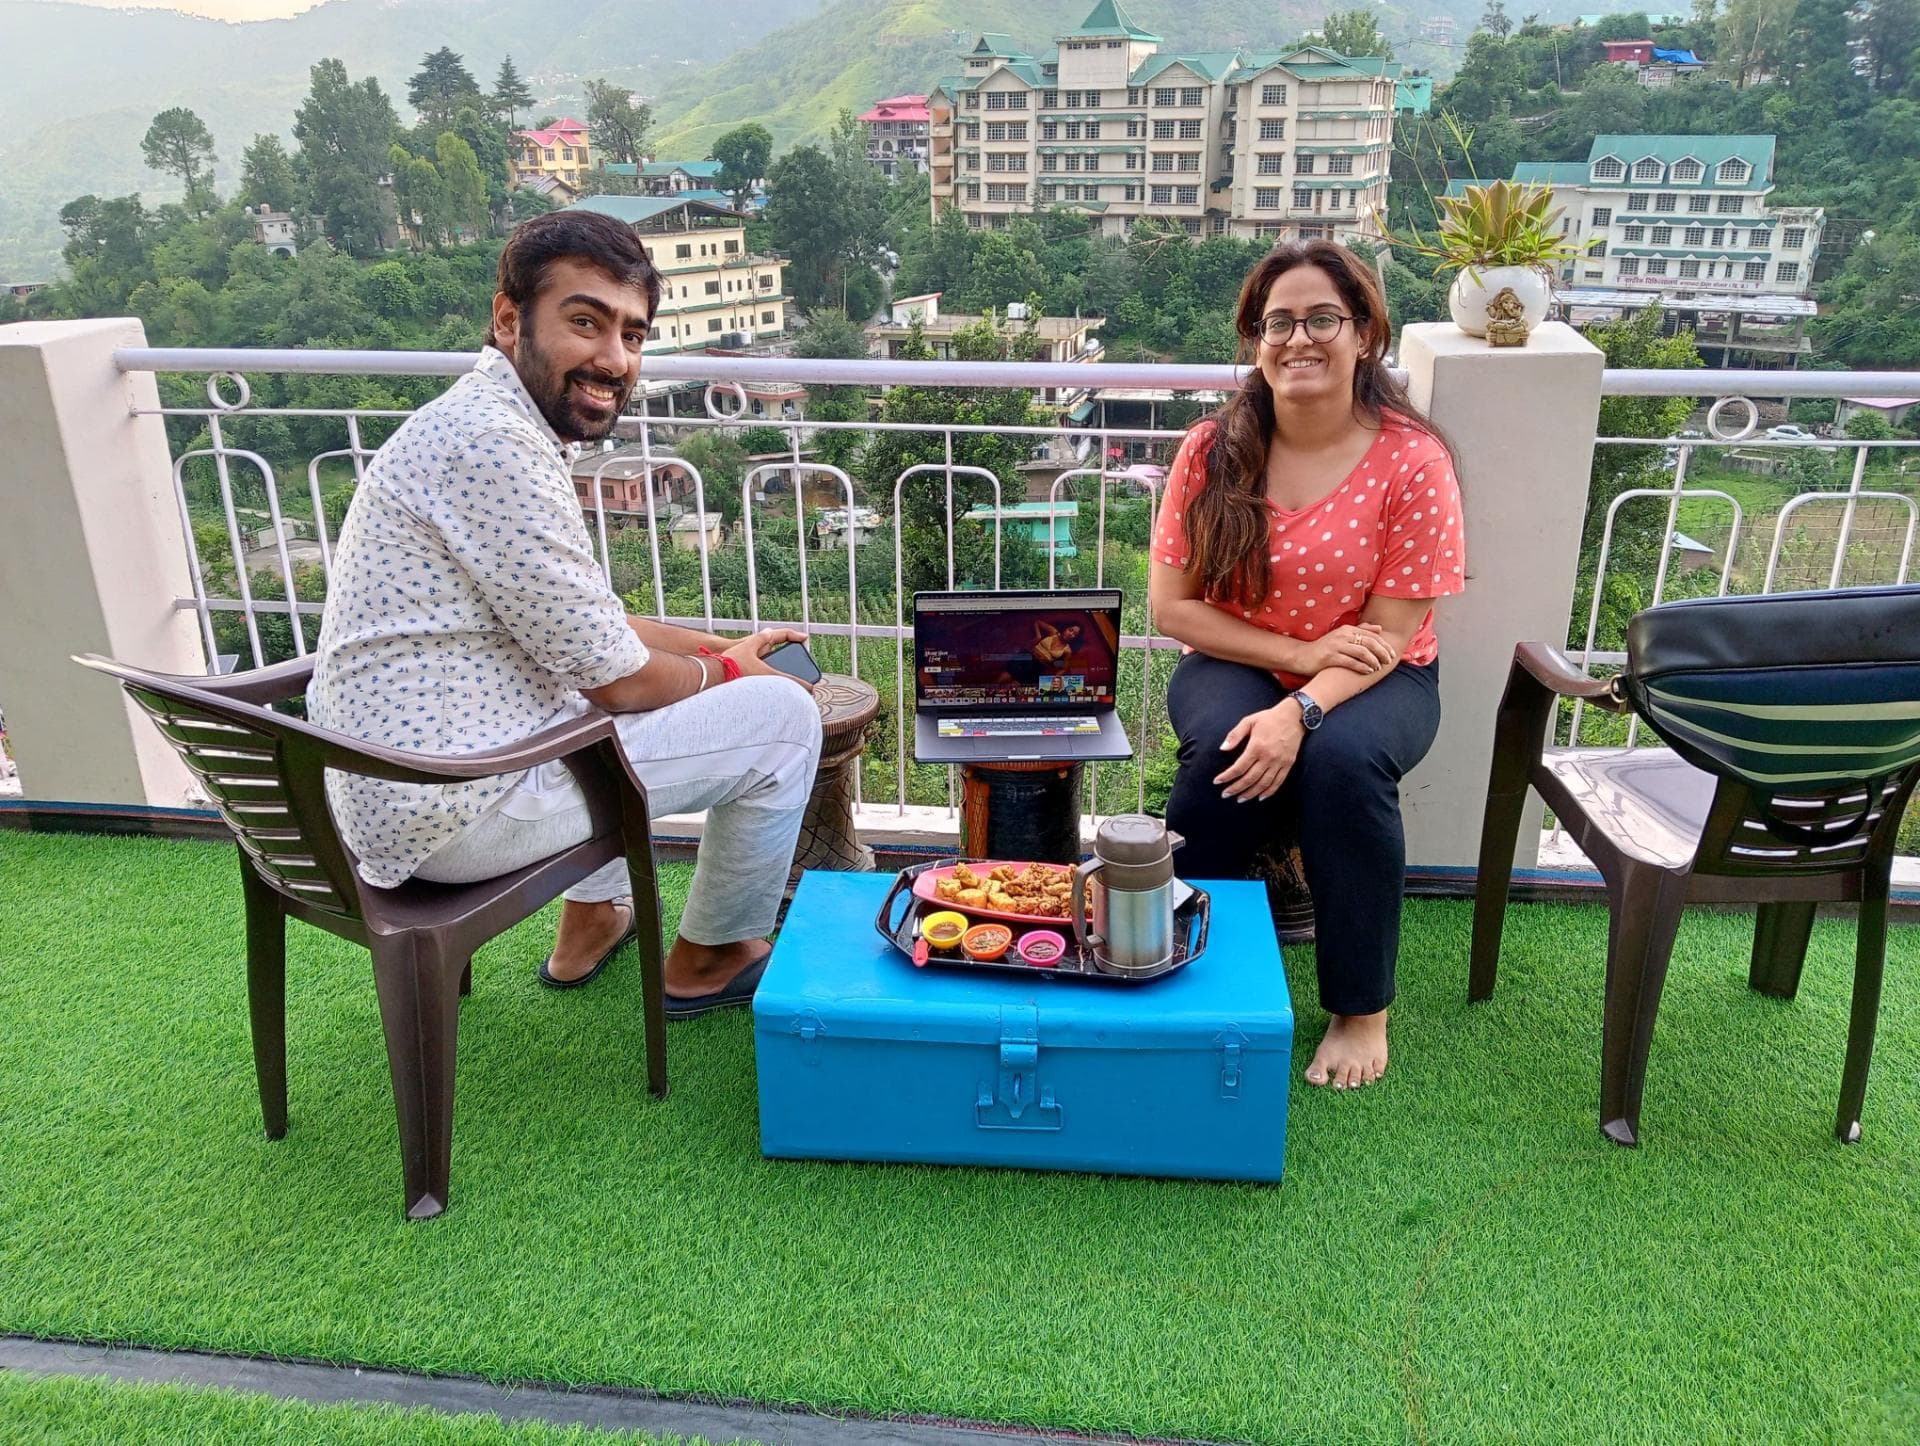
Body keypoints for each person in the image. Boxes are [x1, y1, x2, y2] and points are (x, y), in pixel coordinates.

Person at [308, 209, 822, 1015]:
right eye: (585, 322)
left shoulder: (484, 423)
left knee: (579, 687)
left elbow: (590, 625)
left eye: (634, 334)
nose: (614, 358)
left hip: (397, 786)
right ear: (510, 319)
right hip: (448, 802)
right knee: (783, 715)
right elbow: (618, 680)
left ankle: (588, 925)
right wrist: (731, 674)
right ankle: (709, 959)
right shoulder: (492, 448)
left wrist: (720, 647)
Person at [1147, 239, 1466, 1090]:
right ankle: (1179, 956)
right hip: (1243, 653)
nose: (1300, 339)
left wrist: (1301, 711)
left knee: (1343, 765)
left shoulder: (1413, 461)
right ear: (1255, 340)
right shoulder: (1214, 450)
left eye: (1323, 318)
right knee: (1220, 747)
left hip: (1383, 675)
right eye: (1277, 322)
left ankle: (1362, 1006)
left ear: (1365, 332)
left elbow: (1390, 637)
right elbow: (1173, 609)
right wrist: (1294, 659)